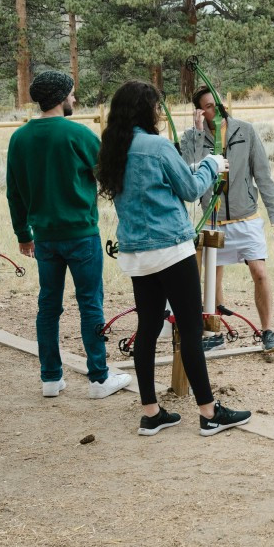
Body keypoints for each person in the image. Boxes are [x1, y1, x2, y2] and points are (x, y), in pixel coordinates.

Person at [97, 80, 250, 437]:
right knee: (192, 330)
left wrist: (197, 164)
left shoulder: (114, 147)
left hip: (137, 254)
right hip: (171, 250)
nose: (157, 112)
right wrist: (212, 163)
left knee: (148, 330)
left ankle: (151, 413)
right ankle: (209, 412)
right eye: (155, 106)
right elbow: (192, 188)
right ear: (144, 109)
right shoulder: (157, 145)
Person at [6, 69, 133, 401]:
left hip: (44, 236)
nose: (74, 99)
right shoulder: (78, 134)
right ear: (62, 98)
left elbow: (14, 192)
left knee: (48, 305)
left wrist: (23, 233)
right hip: (80, 233)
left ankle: (50, 377)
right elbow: (108, 173)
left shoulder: (19, 138)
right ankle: (98, 377)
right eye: (72, 94)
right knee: (90, 303)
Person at [179, 86, 274, 356]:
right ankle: (215, 331)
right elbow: (188, 174)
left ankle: (268, 330)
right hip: (212, 218)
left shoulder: (245, 131)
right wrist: (196, 132)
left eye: (216, 103)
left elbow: (262, 174)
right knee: (212, 278)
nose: (215, 109)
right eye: (207, 106)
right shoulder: (193, 137)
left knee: (259, 272)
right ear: (200, 112)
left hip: (245, 217)